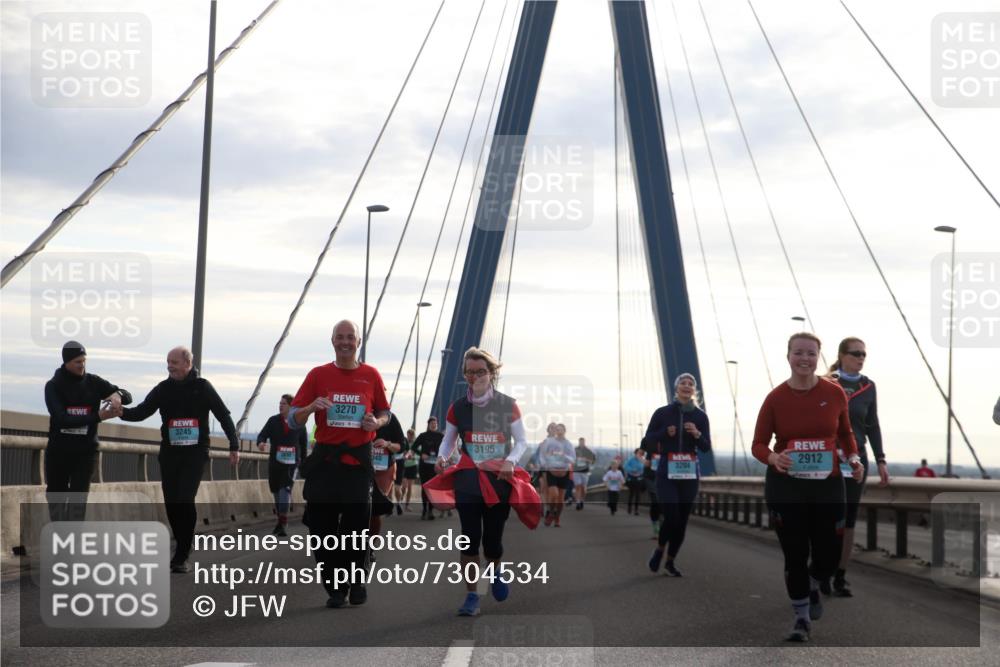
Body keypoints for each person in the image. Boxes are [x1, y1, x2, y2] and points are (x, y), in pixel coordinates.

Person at [752, 332, 863, 642]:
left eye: (811, 354)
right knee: (795, 553)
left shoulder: (835, 393)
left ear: (819, 357)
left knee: (829, 552)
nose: (805, 358)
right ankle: (801, 617)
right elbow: (758, 444)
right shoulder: (775, 398)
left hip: (827, 484)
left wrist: (853, 457)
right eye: (798, 353)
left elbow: (845, 433)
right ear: (788, 356)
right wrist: (774, 457)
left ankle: (816, 582)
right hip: (786, 485)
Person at [423, 347, 539, 617]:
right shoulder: (458, 408)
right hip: (468, 479)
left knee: (492, 542)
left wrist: (511, 460)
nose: (476, 377)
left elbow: (522, 441)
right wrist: (442, 457)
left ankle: (496, 570)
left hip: (499, 479)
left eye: (481, 372)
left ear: (492, 373)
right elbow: (449, 439)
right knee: (469, 539)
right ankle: (472, 595)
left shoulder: (508, 405)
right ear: (465, 374)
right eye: (470, 372)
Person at [287, 320, 390, 608]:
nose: (345, 342)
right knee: (321, 529)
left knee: (356, 529)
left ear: (359, 342)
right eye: (340, 337)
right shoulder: (318, 375)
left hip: (357, 462)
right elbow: (292, 417)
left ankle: (356, 580)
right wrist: (310, 408)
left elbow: (385, 412)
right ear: (332, 341)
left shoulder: (370, 375)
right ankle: (334, 587)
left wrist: (377, 421)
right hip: (325, 462)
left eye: (350, 337)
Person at [121, 346, 239, 573]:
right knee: (172, 502)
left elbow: (223, 415)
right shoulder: (163, 389)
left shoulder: (202, 387)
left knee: (185, 498)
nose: (170, 366)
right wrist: (120, 411)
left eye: (174, 362)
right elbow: (141, 411)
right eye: (168, 362)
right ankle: (181, 543)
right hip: (170, 453)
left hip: (195, 452)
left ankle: (183, 552)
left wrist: (234, 445)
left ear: (187, 363)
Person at [826, 337, 889, 597]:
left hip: (856, 461)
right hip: (827, 460)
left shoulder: (868, 386)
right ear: (842, 355)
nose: (861, 358)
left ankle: (840, 576)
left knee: (849, 520)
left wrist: (881, 460)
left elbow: (872, 425)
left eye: (864, 354)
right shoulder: (826, 383)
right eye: (855, 353)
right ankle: (820, 571)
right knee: (826, 518)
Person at [44, 341, 132, 522]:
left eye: (84, 361)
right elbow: (62, 419)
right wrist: (98, 416)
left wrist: (117, 395)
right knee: (56, 496)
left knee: (78, 498)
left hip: (85, 452)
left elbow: (127, 396)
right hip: (59, 451)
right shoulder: (53, 385)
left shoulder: (93, 382)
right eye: (77, 362)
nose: (82, 365)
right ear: (66, 362)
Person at [644, 373, 711, 577]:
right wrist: (665, 433)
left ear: (694, 390)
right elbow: (647, 442)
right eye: (683, 382)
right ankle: (660, 550)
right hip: (666, 472)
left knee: (681, 521)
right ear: (676, 388)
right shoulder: (662, 413)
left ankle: (670, 562)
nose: (687, 386)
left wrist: (697, 434)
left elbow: (706, 447)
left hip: (690, 473)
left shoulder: (700, 416)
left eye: (691, 384)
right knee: (671, 516)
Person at [257, 394, 308, 536]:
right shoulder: (273, 421)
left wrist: (304, 464)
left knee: (285, 490)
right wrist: (261, 443)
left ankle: (283, 523)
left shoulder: (299, 423)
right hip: (275, 462)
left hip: (292, 464)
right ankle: (281, 520)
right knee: (276, 492)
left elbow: (303, 446)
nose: (280, 405)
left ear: (291, 406)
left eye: (284, 403)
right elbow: (262, 435)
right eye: (280, 403)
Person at [370, 411, 405, 554]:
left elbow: (401, 446)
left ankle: (370, 548)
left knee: (374, 508)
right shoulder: (361, 410)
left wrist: (387, 444)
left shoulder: (390, 418)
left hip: (384, 468)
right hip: (360, 466)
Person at [536, 423, 575, 527]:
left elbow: (573, 459)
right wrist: (545, 465)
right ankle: (551, 512)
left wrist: (564, 456)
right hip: (551, 471)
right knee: (554, 494)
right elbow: (542, 455)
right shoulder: (549, 442)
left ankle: (556, 517)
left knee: (560, 499)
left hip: (564, 472)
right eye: (557, 429)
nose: (558, 431)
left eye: (561, 429)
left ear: (564, 431)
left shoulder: (568, 444)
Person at [412, 417, 444, 520]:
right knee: (424, 487)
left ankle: (430, 511)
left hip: (435, 466)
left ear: (437, 425)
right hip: (424, 466)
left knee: (432, 488)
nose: (434, 425)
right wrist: (421, 454)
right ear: (428, 424)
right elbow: (413, 447)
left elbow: (446, 448)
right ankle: (424, 509)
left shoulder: (440, 436)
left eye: (435, 423)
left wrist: (442, 458)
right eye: (432, 423)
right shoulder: (423, 435)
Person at [572, 437, 595, 510]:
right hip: (576, 471)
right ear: (579, 442)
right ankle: (578, 502)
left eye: (583, 442)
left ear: (584, 442)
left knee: (583, 488)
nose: (581, 443)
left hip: (585, 471)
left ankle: (582, 500)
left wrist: (586, 459)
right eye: (580, 442)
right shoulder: (575, 450)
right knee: (577, 486)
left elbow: (593, 461)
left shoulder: (588, 451)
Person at [399, 428, 418, 511]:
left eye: (411, 435)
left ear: (413, 435)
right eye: (408, 435)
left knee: (410, 487)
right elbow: (400, 452)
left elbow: (419, 454)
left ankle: (407, 505)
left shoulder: (416, 444)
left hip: (413, 466)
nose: (409, 436)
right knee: (404, 486)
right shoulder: (404, 442)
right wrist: (403, 455)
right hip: (404, 466)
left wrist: (413, 457)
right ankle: (401, 498)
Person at [624, 448, 645, 515]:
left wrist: (640, 472)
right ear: (635, 454)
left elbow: (645, 468)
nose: (639, 455)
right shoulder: (631, 459)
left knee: (638, 495)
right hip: (632, 478)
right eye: (638, 453)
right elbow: (625, 466)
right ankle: (629, 507)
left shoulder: (642, 460)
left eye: (641, 453)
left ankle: (636, 510)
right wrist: (632, 470)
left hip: (639, 478)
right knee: (631, 494)